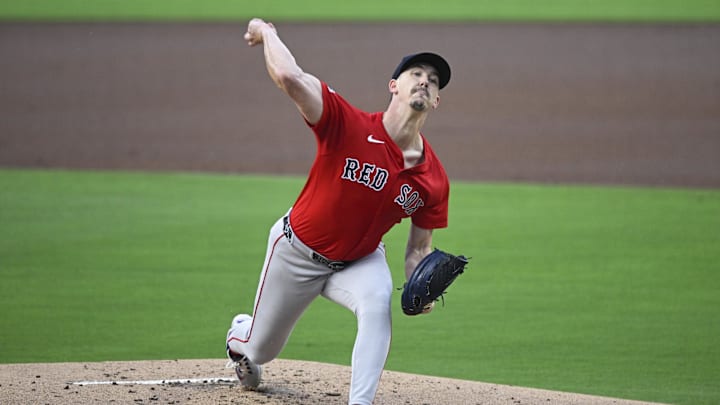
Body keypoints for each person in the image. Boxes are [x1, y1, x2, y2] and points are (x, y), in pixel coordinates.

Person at [226, 17, 453, 405]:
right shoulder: (345, 124)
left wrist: (422, 287)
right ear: (394, 86)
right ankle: (240, 335)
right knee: (260, 350)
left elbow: (419, 249)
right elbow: (289, 76)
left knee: (377, 302)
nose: (425, 81)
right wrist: (267, 31)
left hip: (360, 261)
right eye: (416, 73)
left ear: (435, 101)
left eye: (433, 80)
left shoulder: (434, 179)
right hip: (296, 253)